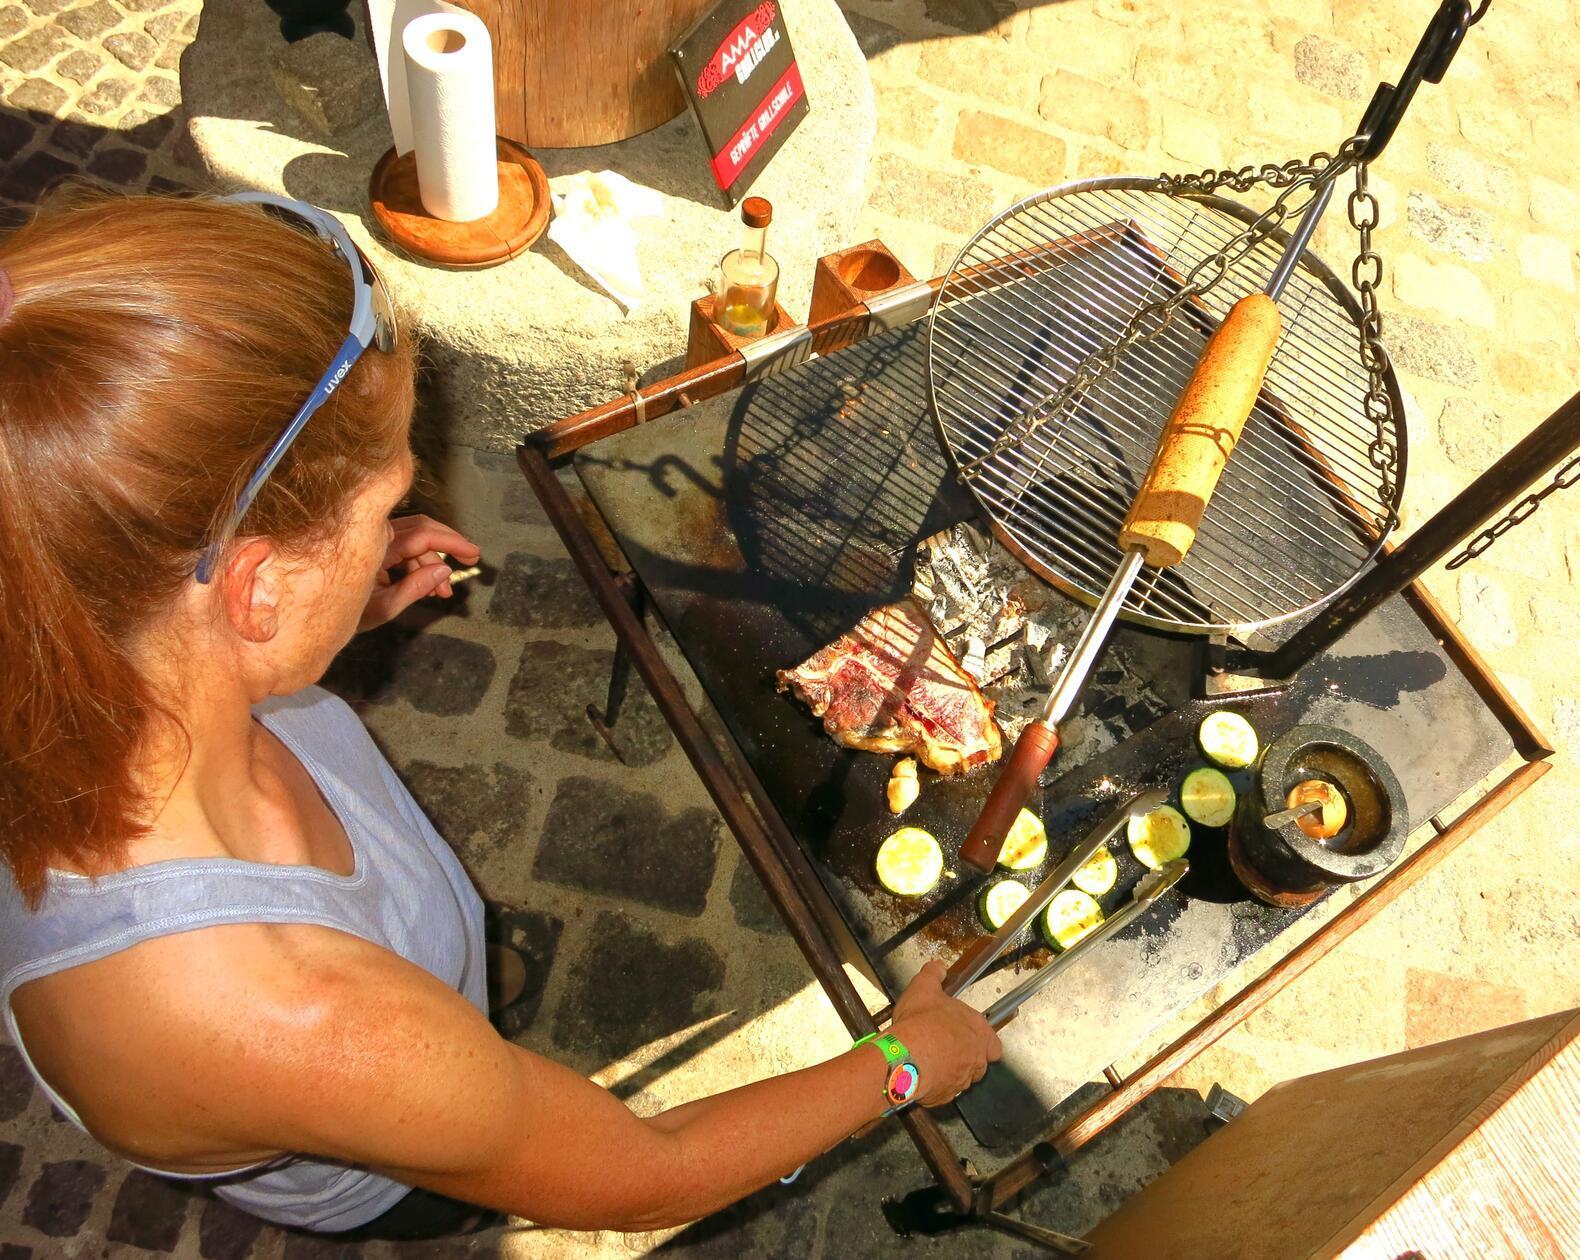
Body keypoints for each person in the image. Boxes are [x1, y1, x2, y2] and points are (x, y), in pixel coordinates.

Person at [0, 191, 1001, 1239]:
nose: (404, 525)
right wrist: (905, 1062)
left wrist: (329, 604)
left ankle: (473, 988)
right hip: (383, 1164)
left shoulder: (90, 628)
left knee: (458, 1006)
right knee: (452, 1121)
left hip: (376, 958)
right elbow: (645, 1173)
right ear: (257, 587)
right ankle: (468, 1019)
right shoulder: (292, 1018)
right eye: (385, 506)